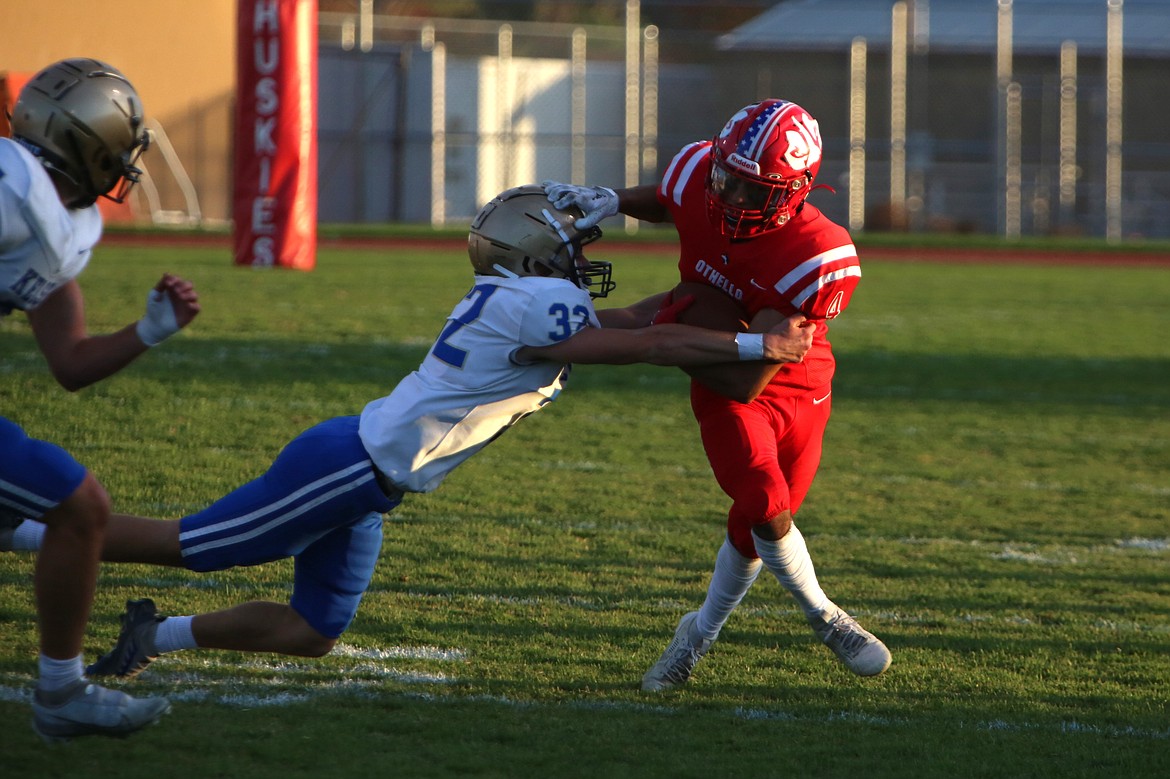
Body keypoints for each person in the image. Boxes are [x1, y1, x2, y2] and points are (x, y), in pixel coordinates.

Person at [3, 185, 813, 680]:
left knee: (315, 630)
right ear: (538, 253)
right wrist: (756, 344)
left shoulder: (517, 298)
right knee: (195, 543)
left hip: (371, 479)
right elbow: (644, 344)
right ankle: (32, 532)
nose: (583, 255)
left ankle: (157, 631)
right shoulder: (536, 307)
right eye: (573, 245)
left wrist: (704, 299)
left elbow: (640, 320)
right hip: (348, 466)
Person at [543, 98, 891, 691]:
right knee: (764, 502)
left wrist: (662, 330)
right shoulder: (699, 170)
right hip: (722, 376)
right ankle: (825, 615)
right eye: (725, 178)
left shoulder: (817, 252)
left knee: (752, 531)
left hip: (794, 380)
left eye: (750, 192)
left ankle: (696, 634)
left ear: (793, 193)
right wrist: (618, 200)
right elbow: (673, 196)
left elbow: (752, 372)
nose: (729, 198)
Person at [0, 58, 200, 740]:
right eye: (119, 141)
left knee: (77, 507)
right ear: (82, 139)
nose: (125, 160)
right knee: (77, 506)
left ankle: (61, 692)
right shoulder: (11, 186)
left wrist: (148, 332)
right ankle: (60, 694)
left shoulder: (60, 220)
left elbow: (70, 361)